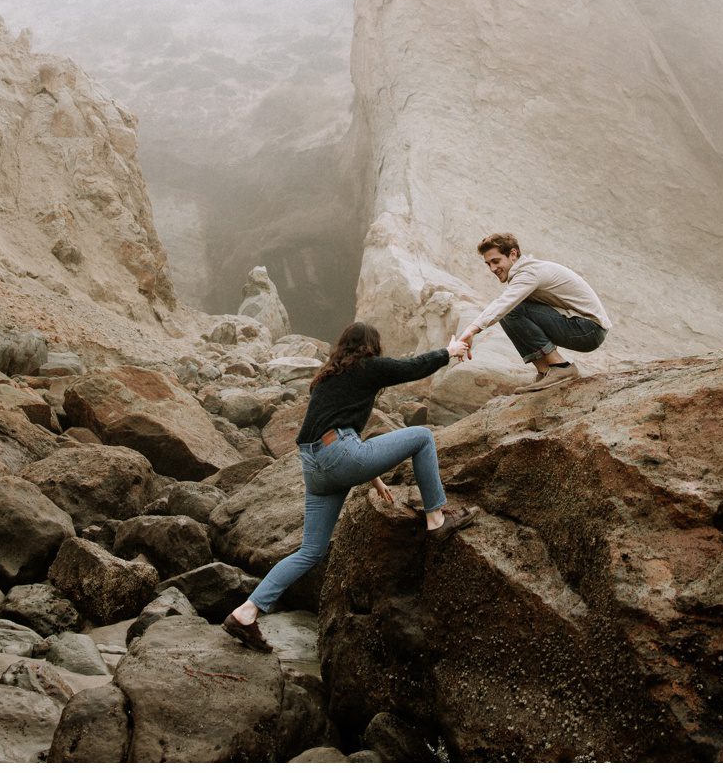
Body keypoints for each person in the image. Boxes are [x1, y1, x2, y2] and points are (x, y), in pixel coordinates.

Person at [222, 322, 473, 651]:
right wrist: (449, 352)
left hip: (315, 467)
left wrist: (374, 475)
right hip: (338, 457)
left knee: (311, 551)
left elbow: (336, 427)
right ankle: (436, 520)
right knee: (423, 437)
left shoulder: (326, 378)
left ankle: (246, 612)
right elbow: (410, 367)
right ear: (370, 346)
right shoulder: (366, 367)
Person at [456, 232, 611, 391]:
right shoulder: (526, 271)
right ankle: (545, 372)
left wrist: (471, 330)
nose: (493, 268)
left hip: (589, 329)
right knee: (511, 309)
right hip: (584, 327)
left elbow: (503, 304)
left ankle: (561, 367)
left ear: (513, 254)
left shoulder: (528, 273)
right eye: (488, 264)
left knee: (510, 309)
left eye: (496, 261)